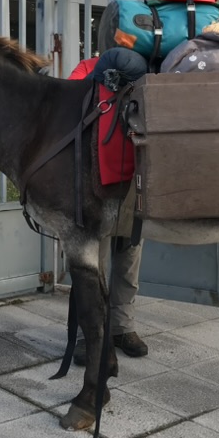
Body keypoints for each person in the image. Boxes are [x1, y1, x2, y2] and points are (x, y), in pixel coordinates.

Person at [68, 54, 148, 364]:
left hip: (133, 182)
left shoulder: (147, 68)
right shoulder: (88, 68)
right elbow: (70, 103)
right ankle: (88, 334)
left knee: (129, 259)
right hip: (94, 184)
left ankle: (122, 328)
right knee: (92, 267)